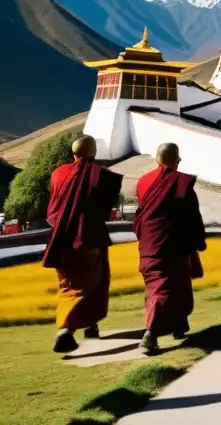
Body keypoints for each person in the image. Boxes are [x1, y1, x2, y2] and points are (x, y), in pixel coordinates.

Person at [42, 135, 123, 353]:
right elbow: (105, 207)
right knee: (90, 284)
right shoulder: (101, 175)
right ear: (93, 152)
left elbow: (54, 206)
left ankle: (90, 325)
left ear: (73, 152)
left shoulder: (58, 173)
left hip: (61, 238)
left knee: (68, 284)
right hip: (88, 237)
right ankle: (66, 330)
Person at [134, 143, 207, 354]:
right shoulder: (181, 182)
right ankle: (150, 334)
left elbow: (145, 212)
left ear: (157, 159)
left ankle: (179, 325)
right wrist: (198, 240)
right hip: (172, 244)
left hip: (149, 243)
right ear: (176, 160)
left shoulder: (143, 181)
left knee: (171, 287)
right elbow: (192, 215)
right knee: (163, 289)